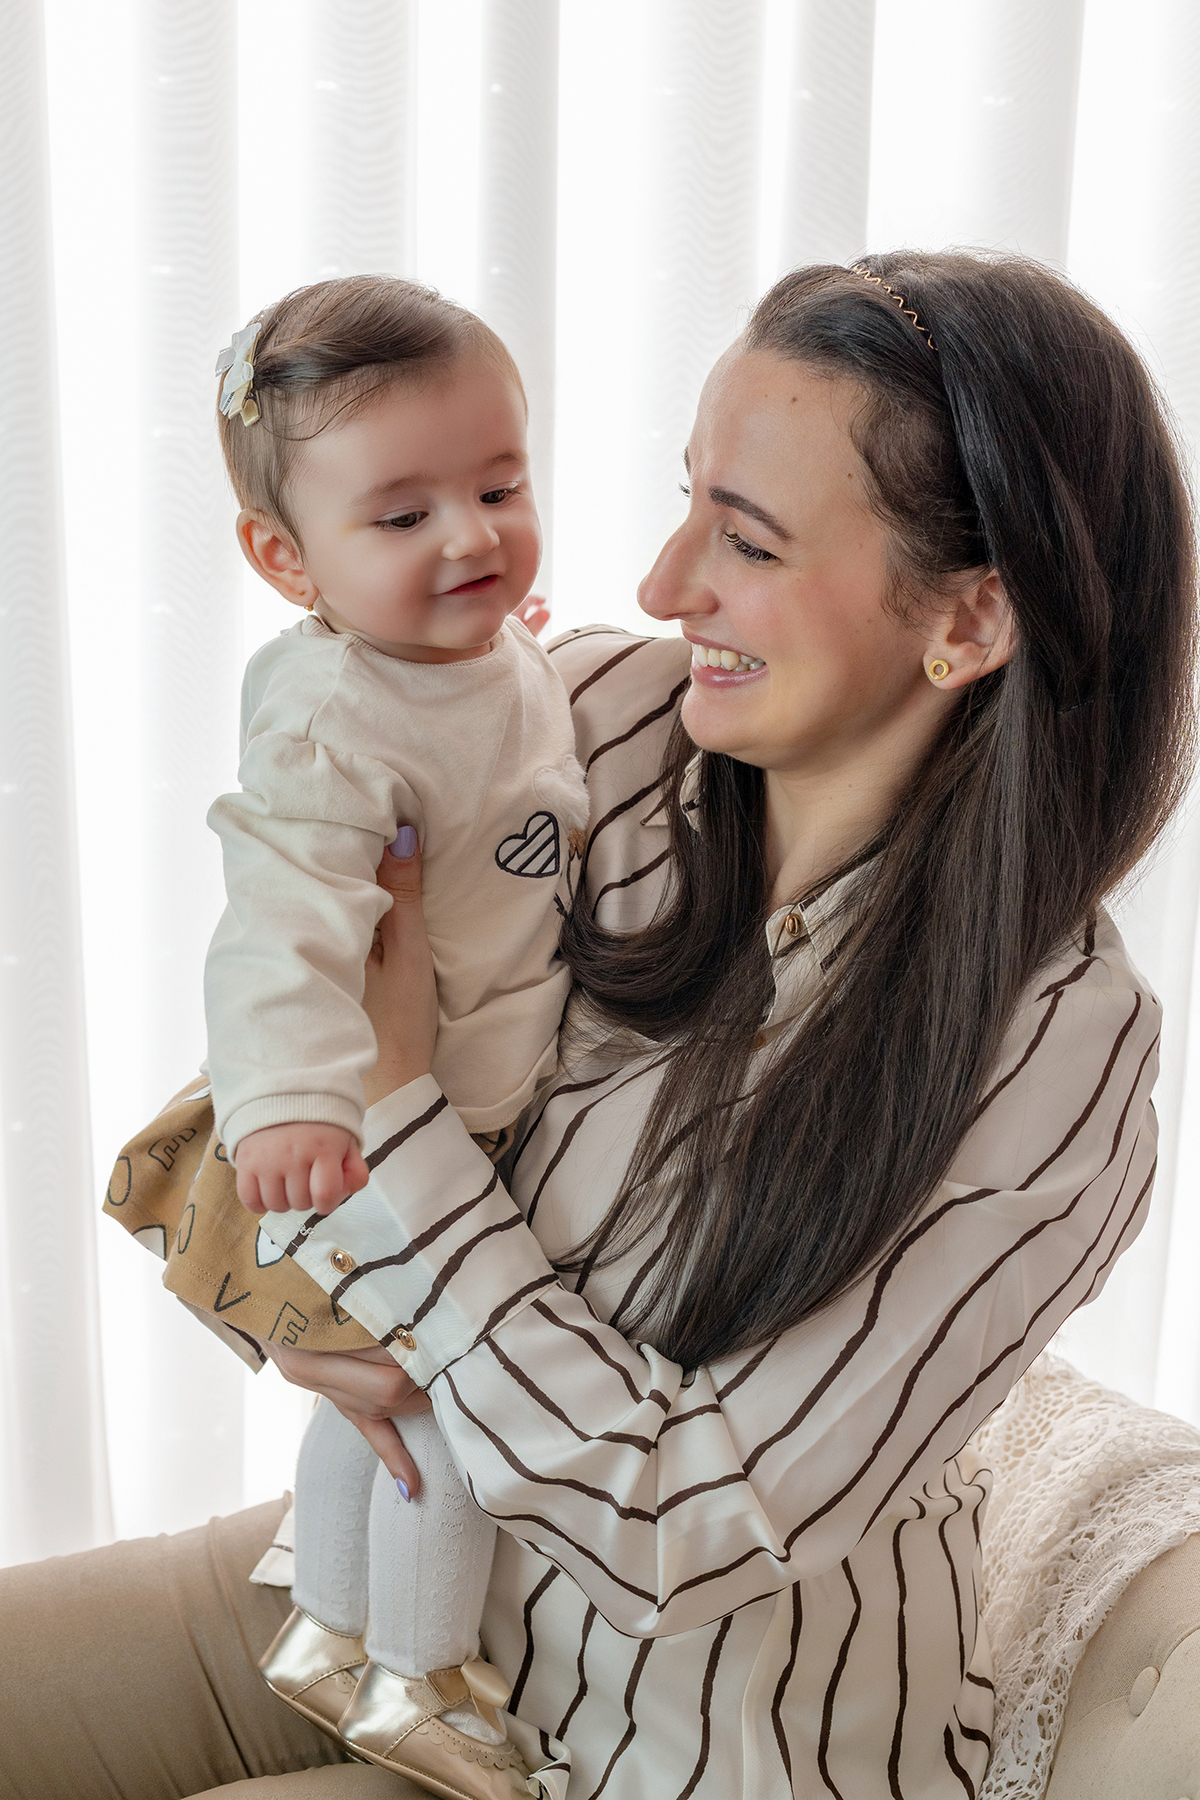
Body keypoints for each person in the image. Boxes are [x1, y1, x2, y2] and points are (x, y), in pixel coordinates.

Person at [5, 250, 1194, 1800]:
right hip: (379, 1597)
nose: (659, 583)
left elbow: (688, 1526)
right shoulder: (591, 723)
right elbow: (284, 1018)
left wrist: (406, 1169)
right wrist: (305, 1317)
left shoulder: (1056, 1061)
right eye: (686, 496)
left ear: (966, 619)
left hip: (662, 1746)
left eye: (746, 540)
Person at [104, 274, 588, 1799]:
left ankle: (323, 1624)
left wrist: (521, 659)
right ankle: (414, 1678)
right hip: (375, 1133)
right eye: (403, 517)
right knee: (447, 1406)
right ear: (283, 557)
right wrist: (292, 1105)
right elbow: (281, 922)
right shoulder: (328, 717)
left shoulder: (481, 656)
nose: (472, 537)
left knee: (369, 1383)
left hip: (471, 1104)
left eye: (500, 486)